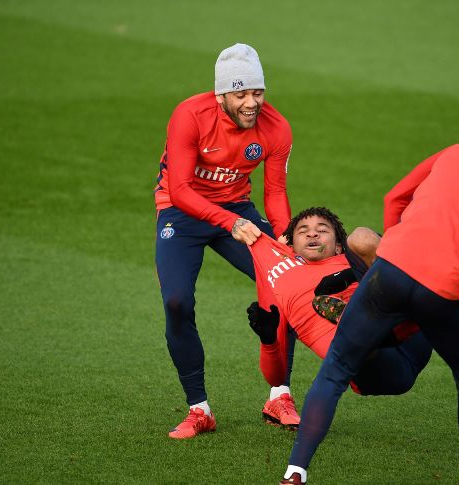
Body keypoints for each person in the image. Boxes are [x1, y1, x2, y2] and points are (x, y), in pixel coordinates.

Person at [279, 131, 459, 485]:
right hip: (443, 289)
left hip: (391, 267)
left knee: (334, 371)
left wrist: (396, 246)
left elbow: (395, 196)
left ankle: (294, 474)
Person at [153, 43, 297, 439]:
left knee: (289, 283)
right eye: (241, 94)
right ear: (221, 95)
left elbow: (277, 191)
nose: (252, 103)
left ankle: (280, 395)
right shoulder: (189, 115)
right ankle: (199, 409)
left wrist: (283, 233)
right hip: (181, 212)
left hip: (237, 208)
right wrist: (229, 222)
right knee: (177, 301)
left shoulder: (277, 128)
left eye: (258, 92)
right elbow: (180, 190)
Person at [245, 207, 432, 430]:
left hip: (415, 337)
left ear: (338, 246)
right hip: (377, 368)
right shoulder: (286, 286)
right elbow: (275, 378)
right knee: (361, 331)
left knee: (367, 241)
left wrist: (349, 274)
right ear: (291, 247)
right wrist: (268, 342)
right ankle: (358, 323)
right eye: (303, 231)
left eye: (322, 230)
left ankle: (364, 317)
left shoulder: (353, 258)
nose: (312, 234)